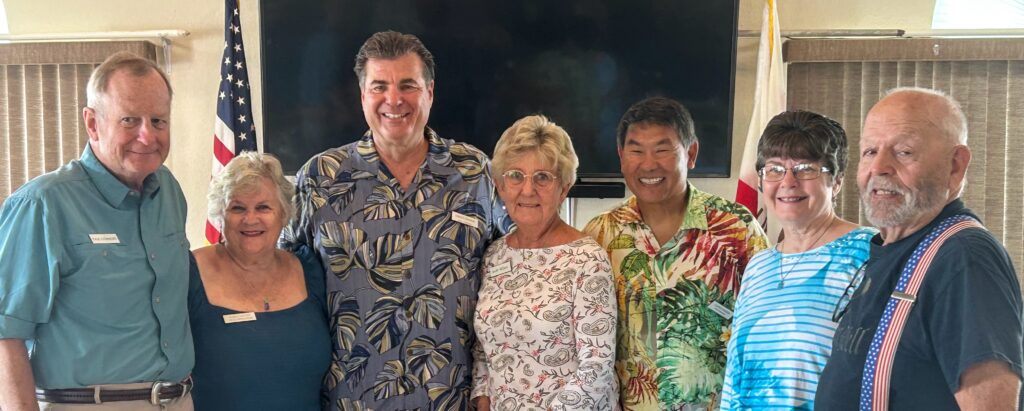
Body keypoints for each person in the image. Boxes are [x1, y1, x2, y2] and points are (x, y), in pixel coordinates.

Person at [280, 31, 507, 410]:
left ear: (430, 92)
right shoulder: (321, 177)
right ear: (362, 95)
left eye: (407, 85)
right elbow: (279, 271)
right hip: (351, 399)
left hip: (451, 397)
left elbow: (510, 266)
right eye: (379, 86)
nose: (394, 99)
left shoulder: (474, 171)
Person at [0, 52, 193, 410]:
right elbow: (5, 334)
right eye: (130, 120)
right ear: (92, 123)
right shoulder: (42, 204)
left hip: (178, 399)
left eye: (158, 121)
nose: (147, 135)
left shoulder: (169, 191)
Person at [815, 87, 1023, 410]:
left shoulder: (964, 258)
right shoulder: (892, 250)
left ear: (955, 166)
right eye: (870, 151)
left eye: (904, 152)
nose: (879, 167)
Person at [583, 96, 769, 410]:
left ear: (691, 153)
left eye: (662, 149)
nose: (648, 164)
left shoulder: (736, 227)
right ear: (621, 156)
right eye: (636, 150)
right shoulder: (600, 235)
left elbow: (767, 325)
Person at [719, 111, 876, 410]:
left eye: (805, 169)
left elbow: (888, 367)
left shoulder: (869, 252)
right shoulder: (759, 266)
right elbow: (735, 376)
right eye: (774, 169)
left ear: (837, 180)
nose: (788, 182)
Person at [471, 115, 618, 410]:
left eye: (543, 177)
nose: (527, 190)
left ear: (564, 187)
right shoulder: (494, 255)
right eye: (516, 175)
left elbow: (596, 369)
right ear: (500, 185)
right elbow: (484, 353)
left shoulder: (587, 260)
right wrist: (483, 401)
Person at [188, 152, 329, 410]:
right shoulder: (189, 272)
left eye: (263, 207)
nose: (250, 219)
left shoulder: (310, 270)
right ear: (220, 214)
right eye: (237, 208)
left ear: (283, 213)